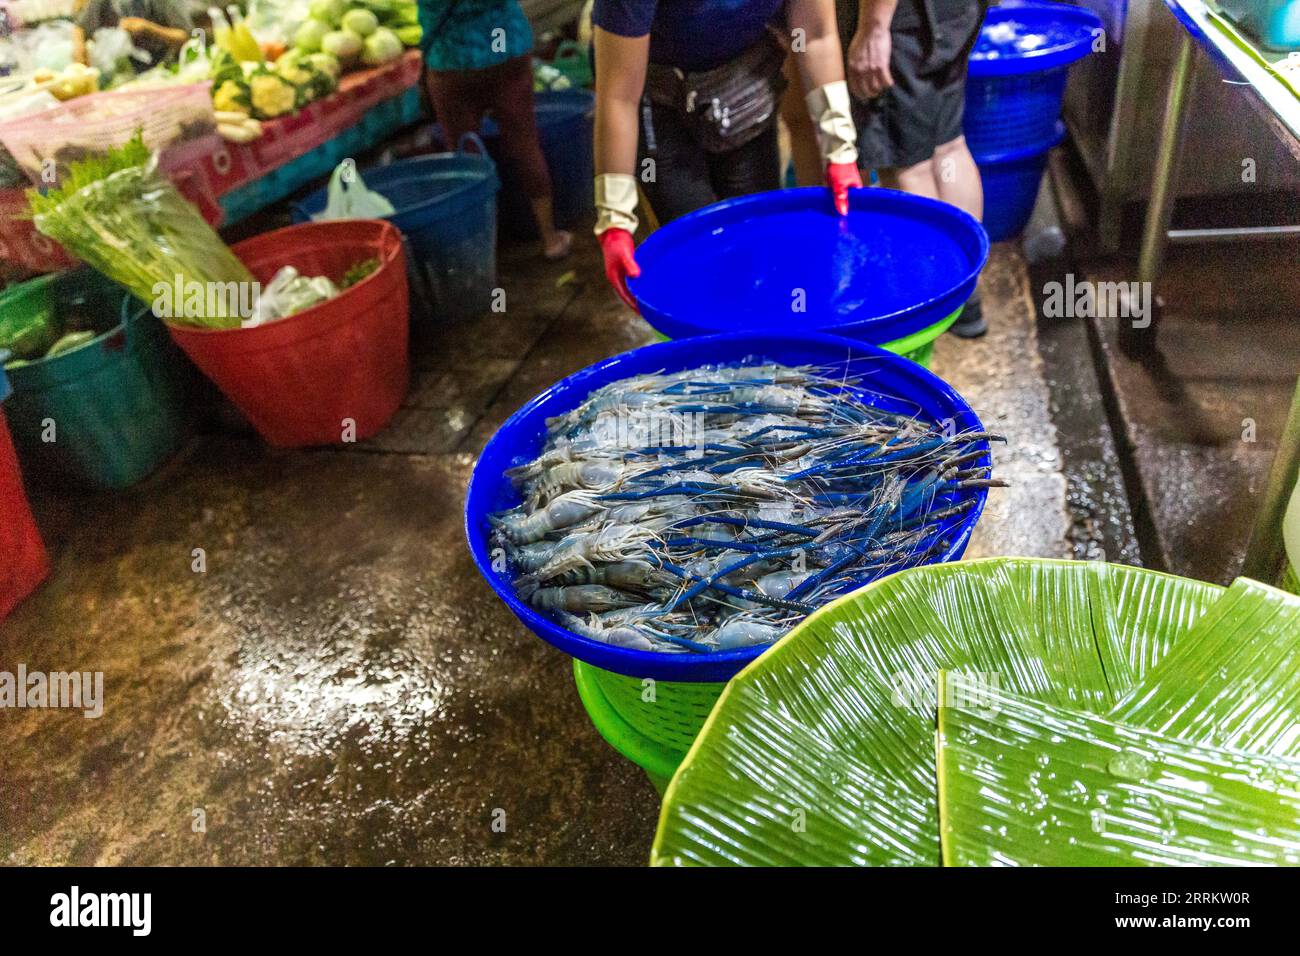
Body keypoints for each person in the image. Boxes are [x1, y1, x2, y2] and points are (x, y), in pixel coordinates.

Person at [592, 0, 862, 310]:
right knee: (693, 246)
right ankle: (705, 338)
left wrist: (839, 149)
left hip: (742, 79)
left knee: (757, 237)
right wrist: (614, 218)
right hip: (652, 89)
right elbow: (619, 95)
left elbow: (813, 36)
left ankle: (764, 338)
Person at [841, 0, 987, 336]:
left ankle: (929, 303)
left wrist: (873, 28)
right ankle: (964, 298)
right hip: (957, 12)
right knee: (949, 145)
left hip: (902, 18)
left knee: (907, 165)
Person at [418, 0, 573, 259]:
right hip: (505, 47)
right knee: (525, 144)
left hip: (452, 56)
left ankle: (483, 252)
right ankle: (550, 239)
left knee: (466, 158)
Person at [71, 0, 193, 69]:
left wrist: (148, 28)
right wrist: (79, 47)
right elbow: (80, 27)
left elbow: (185, 36)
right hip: (130, 69)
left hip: (170, 64)